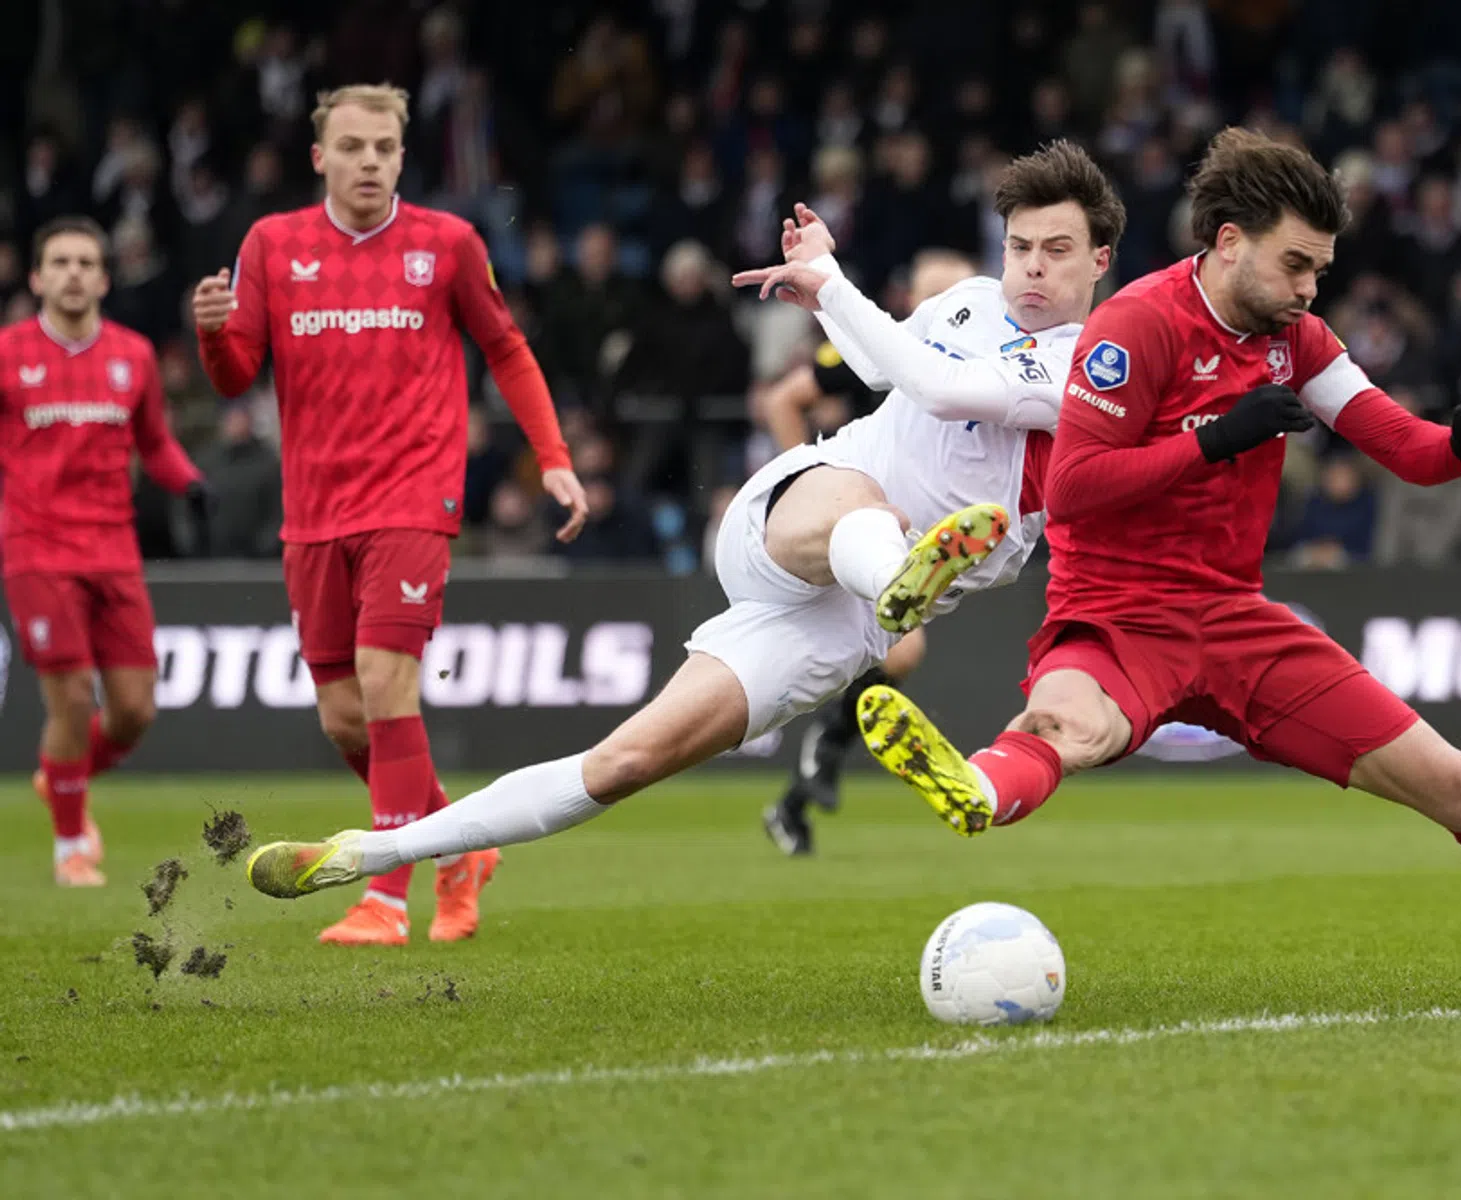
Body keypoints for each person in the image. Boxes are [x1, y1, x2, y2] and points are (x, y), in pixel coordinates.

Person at [855, 128, 1461, 1004]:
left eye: (1319, 269)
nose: (1309, 287)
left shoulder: (1297, 339)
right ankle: (973, 787)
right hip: (1120, 615)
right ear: (1229, 243)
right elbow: (1077, 488)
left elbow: (1408, 449)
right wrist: (1213, 440)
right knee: (1064, 727)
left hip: (1237, 621)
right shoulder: (1133, 328)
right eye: (1295, 265)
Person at [240, 142, 1121, 904]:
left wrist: (830, 284)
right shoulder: (967, 299)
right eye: (1019, 247)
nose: (1032, 266)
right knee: (869, 505)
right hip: (806, 503)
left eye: (1056, 250)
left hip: (839, 618)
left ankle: (366, 852)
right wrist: (825, 290)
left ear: (1100, 262)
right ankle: (896, 576)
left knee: (619, 766)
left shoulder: (1093, 363)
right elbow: (881, 364)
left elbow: (936, 386)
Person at [192, 84, 588, 947]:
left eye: (384, 147)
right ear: (319, 157)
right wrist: (214, 334)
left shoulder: (445, 245)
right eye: (352, 146)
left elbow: (506, 350)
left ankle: (383, 898)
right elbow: (234, 376)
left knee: (384, 681)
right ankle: (461, 851)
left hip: (413, 497)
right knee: (343, 717)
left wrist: (552, 459)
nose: (369, 160)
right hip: (313, 512)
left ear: (404, 156)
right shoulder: (273, 244)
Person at [0, 215, 211, 886]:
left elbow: (154, 442)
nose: (72, 273)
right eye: (59, 262)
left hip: (113, 549)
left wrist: (190, 484)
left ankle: (58, 777)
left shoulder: (134, 354)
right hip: (36, 549)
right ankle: (72, 851)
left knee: (134, 709)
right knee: (69, 698)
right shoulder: (7, 353)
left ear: (104, 277)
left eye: (85, 263)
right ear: (36, 277)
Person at [758, 248, 975, 856]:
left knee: (893, 653)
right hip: (848, 517)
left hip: (907, 529)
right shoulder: (873, 354)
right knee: (901, 648)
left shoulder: (970, 370)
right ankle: (815, 761)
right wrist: (802, 479)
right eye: (946, 300)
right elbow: (780, 401)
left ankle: (799, 792)